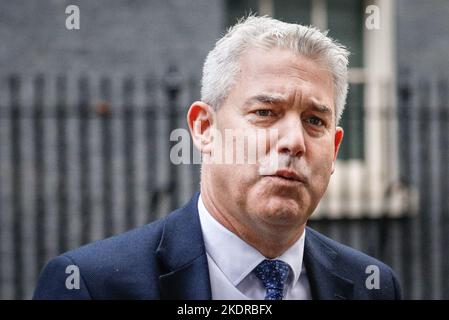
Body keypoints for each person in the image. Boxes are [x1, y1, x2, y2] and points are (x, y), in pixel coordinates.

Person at [33, 16, 402, 300]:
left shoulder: (373, 285)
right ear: (204, 128)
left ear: (335, 149)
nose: (294, 142)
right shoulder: (90, 285)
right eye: (265, 112)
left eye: (314, 121)